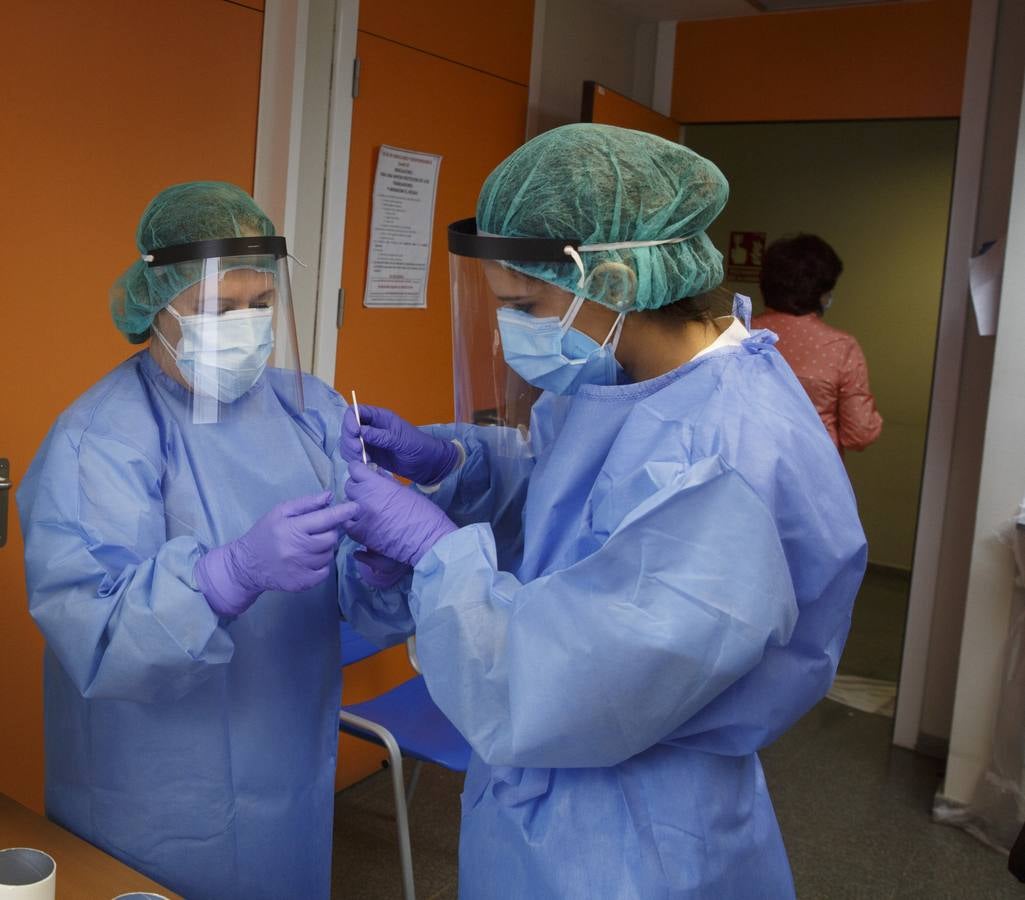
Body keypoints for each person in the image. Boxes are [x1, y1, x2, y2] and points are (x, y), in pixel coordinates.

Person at [334, 124, 868, 897]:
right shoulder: (631, 384)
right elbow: (576, 498)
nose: (513, 328)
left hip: (631, 833)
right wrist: (456, 463)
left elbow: (566, 680)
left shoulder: (724, 457)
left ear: (614, 281)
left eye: (524, 303)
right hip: (563, 795)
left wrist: (435, 555)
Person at [16, 182, 401, 900]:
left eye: (260, 304)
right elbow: (96, 640)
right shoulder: (96, 440)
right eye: (218, 308)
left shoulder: (307, 408)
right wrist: (225, 576)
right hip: (155, 786)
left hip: (286, 751)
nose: (246, 324)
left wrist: (379, 572)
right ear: (158, 305)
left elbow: (344, 594)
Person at [752, 234, 882, 453]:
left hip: (744, 465)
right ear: (822, 293)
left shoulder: (738, 334)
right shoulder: (841, 347)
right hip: (814, 472)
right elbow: (859, 433)